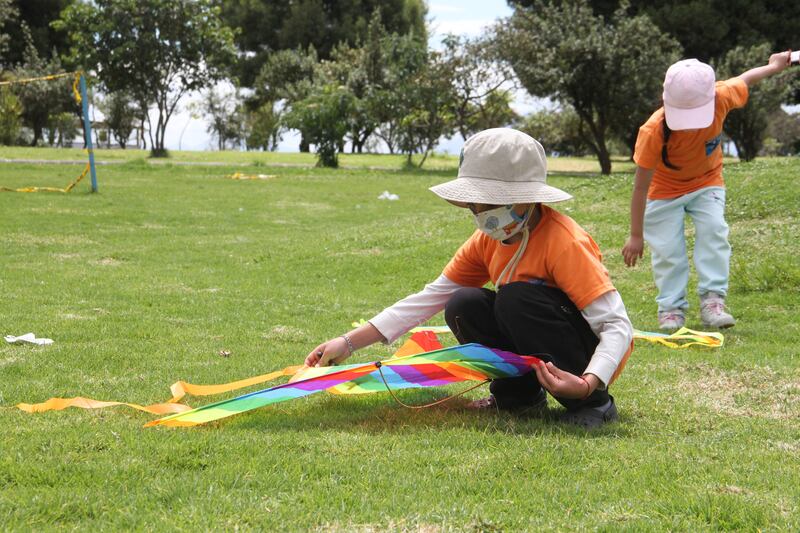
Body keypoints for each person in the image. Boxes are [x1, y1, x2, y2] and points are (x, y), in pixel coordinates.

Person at [305, 128, 633, 429]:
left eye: (495, 201)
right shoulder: (485, 242)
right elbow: (431, 297)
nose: (483, 212)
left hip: (584, 361)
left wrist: (589, 381)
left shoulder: (564, 242)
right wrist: (348, 343)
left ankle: (594, 405)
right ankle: (518, 398)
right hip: (538, 346)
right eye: (477, 203)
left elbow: (616, 325)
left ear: (528, 197)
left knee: (515, 298)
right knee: (464, 302)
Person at [622, 52, 794, 330]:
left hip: (706, 182)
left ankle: (713, 301)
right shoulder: (653, 129)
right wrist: (635, 234)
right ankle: (671, 308)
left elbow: (746, 78)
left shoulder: (722, 96)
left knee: (714, 231)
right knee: (668, 251)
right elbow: (640, 186)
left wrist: (774, 66)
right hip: (664, 192)